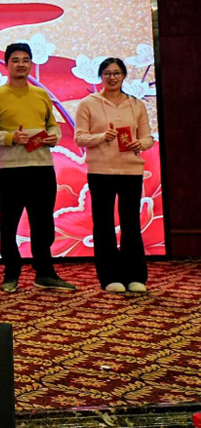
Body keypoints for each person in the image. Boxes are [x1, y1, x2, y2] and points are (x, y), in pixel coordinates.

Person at [0, 42, 76, 293]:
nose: (21, 64)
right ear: (6, 64)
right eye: (15, 60)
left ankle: (45, 272)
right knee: (9, 225)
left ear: (31, 64)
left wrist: (54, 136)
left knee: (43, 223)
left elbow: (52, 124)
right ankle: (11, 273)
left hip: (42, 167)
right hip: (12, 169)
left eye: (25, 60)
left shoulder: (41, 94)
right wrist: (10, 137)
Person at [75, 57, 153, 294]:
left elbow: (148, 137)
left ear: (124, 76)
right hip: (100, 171)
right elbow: (80, 138)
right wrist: (102, 137)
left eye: (117, 73)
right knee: (104, 224)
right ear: (100, 76)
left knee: (131, 223)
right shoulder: (88, 103)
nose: (112, 77)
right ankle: (110, 277)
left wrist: (139, 143)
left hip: (131, 170)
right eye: (107, 73)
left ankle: (135, 276)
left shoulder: (136, 104)